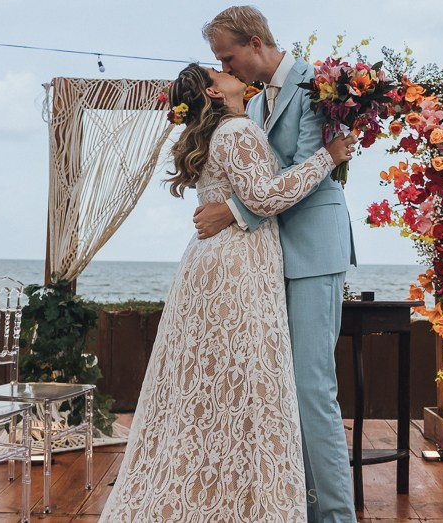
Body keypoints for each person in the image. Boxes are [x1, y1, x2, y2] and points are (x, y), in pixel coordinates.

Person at [99, 63, 355, 522]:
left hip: (215, 261)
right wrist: (329, 156)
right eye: (218, 69)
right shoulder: (237, 129)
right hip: (238, 264)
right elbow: (266, 197)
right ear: (215, 93)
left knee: (221, 384)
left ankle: (224, 491)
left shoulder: (234, 126)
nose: (228, 69)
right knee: (252, 380)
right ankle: (244, 499)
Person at [194, 6, 358, 523]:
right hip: (269, 261)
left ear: (257, 40)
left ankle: (335, 518)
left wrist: (231, 212)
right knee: (282, 391)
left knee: (312, 390)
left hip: (312, 252)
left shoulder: (317, 86)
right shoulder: (257, 101)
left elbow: (303, 173)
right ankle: (299, 509)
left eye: (228, 56)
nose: (225, 66)